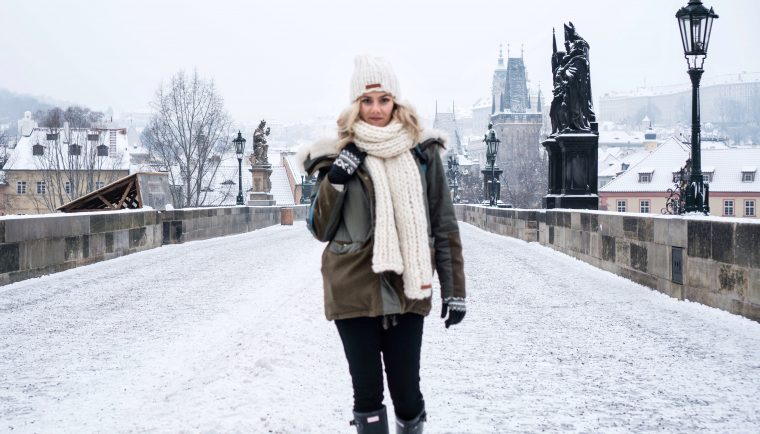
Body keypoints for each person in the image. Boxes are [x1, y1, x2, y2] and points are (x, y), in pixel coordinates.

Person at [297, 55, 466, 433]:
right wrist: (337, 179)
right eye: (367, 101)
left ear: (396, 103)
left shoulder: (423, 154)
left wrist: (455, 290)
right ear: (355, 104)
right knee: (367, 393)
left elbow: (443, 224)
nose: (376, 110)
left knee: (407, 394)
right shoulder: (334, 156)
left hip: (408, 288)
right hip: (354, 290)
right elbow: (320, 228)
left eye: (384, 100)